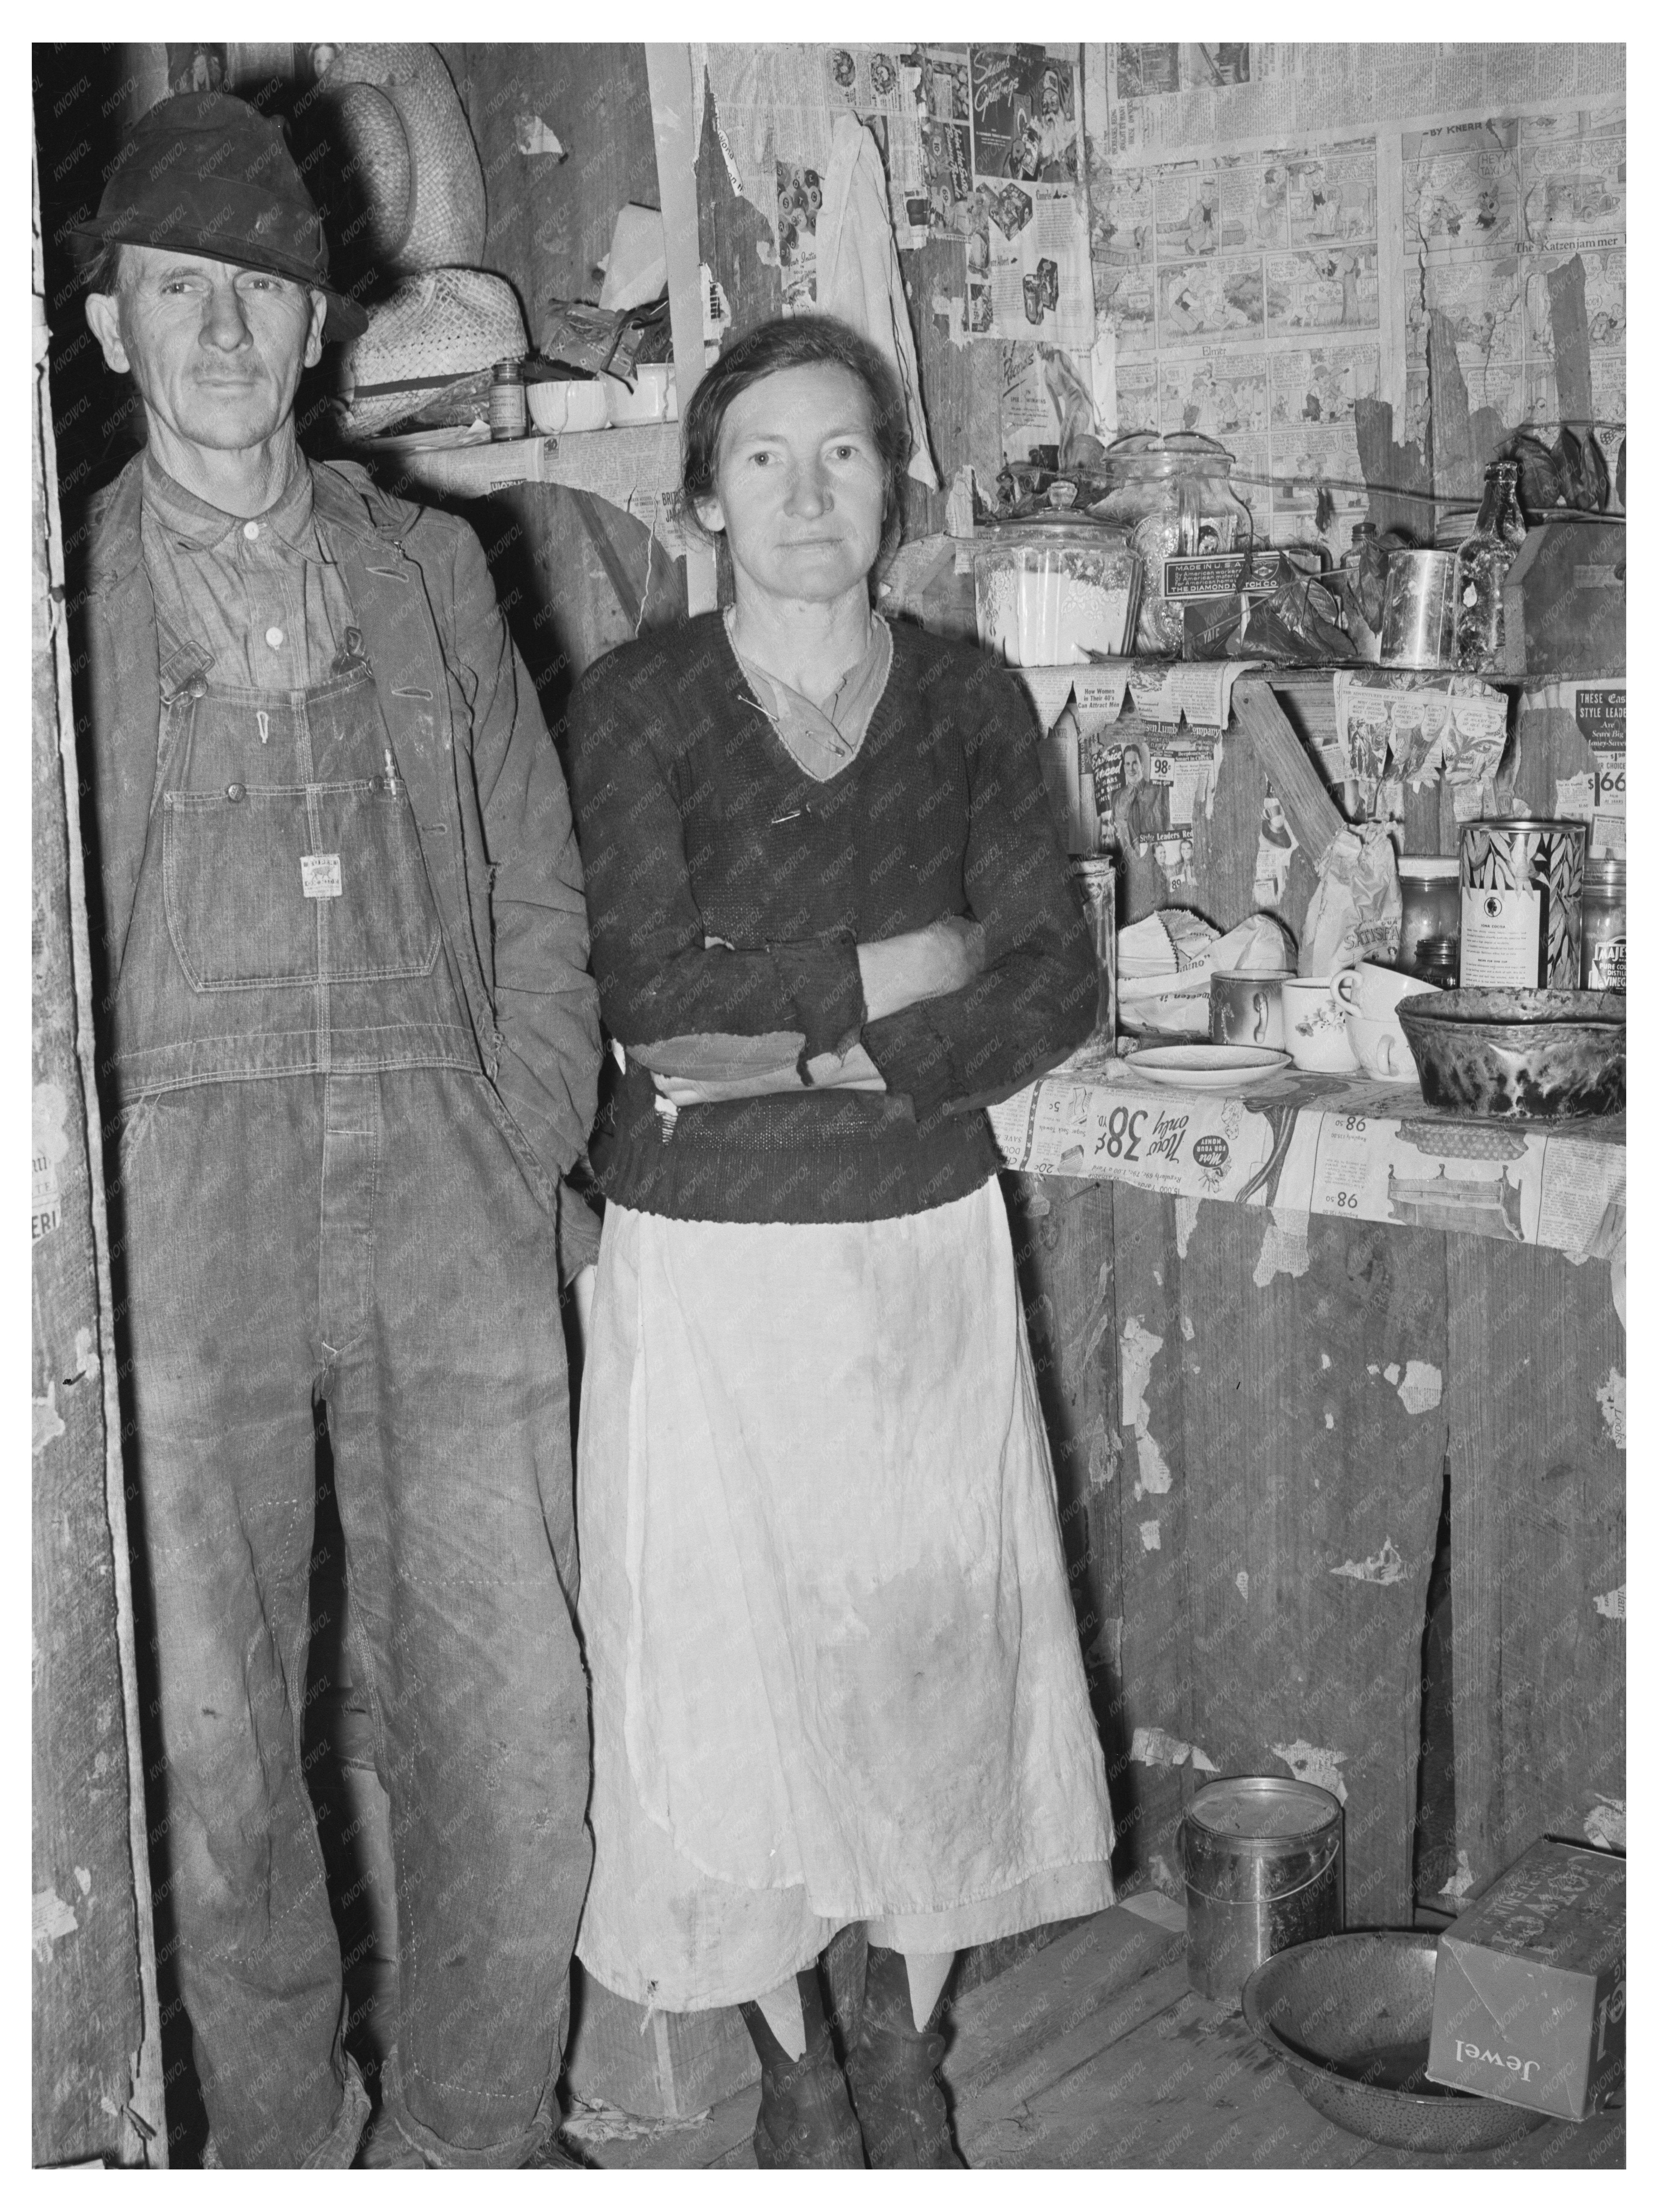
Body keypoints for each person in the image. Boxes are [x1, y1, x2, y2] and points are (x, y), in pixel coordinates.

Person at [70, 91, 600, 2169]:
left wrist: (518, 1124)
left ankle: (471, 2139)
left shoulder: (432, 573)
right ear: (111, 331)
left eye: (256, 296)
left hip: (441, 1172)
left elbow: (537, 885)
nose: (218, 331)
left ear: (314, 332)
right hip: (175, 1203)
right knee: (215, 1764)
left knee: (504, 1714)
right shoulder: (57, 606)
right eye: (175, 293)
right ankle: (281, 2152)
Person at [564, 315, 1116, 2170]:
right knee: (728, 1658)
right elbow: (647, 1009)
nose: (809, 497)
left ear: (898, 483)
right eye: (764, 461)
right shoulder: (635, 708)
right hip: (711, 1271)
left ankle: (902, 2028)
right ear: (703, 495)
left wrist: (796, 1039)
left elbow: (1046, 979)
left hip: (912, 1257)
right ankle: (790, 2054)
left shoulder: (970, 703)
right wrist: (887, 984)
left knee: (929, 1662)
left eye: (845, 455)